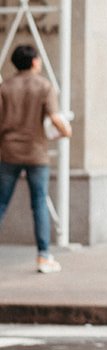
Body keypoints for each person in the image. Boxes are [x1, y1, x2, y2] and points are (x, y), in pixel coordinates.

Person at [0, 44, 71, 273]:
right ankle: (43, 256)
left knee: (1, 204)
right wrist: (66, 132)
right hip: (35, 152)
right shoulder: (44, 86)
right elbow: (54, 116)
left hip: (8, 151)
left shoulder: (5, 87)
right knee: (39, 203)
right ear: (33, 62)